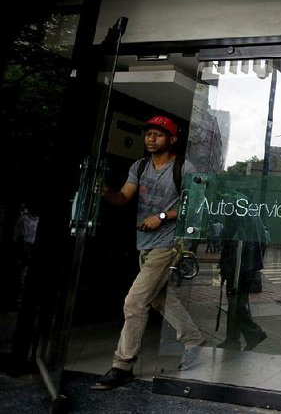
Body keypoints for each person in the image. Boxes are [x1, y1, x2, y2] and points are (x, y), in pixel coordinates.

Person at [91, 116, 205, 391]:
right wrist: (105, 191)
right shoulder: (140, 166)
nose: (151, 139)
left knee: (134, 301)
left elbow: (196, 205)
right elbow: (123, 198)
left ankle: (122, 365)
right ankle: (193, 338)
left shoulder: (183, 168)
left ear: (172, 139)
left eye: (159, 135)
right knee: (158, 298)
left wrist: (163, 216)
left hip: (169, 244)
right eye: (149, 134)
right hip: (145, 243)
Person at [216, 205, 268, 351]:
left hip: (239, 265)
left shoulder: (237, 216)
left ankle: (252, 333)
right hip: (249, 264)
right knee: (238, 301)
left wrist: (225, 263)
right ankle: (233, 339)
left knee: (235, 301)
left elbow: (229, 240)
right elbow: (263, 240)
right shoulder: (255, 216)